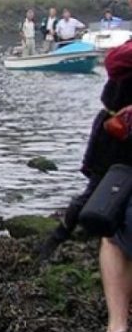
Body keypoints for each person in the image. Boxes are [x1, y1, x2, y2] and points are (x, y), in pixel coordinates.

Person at [38, 42, 132, 264]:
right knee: (97, 188)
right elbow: (113, 62)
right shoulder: (125, 53)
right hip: (116, 128)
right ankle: (58, 237)